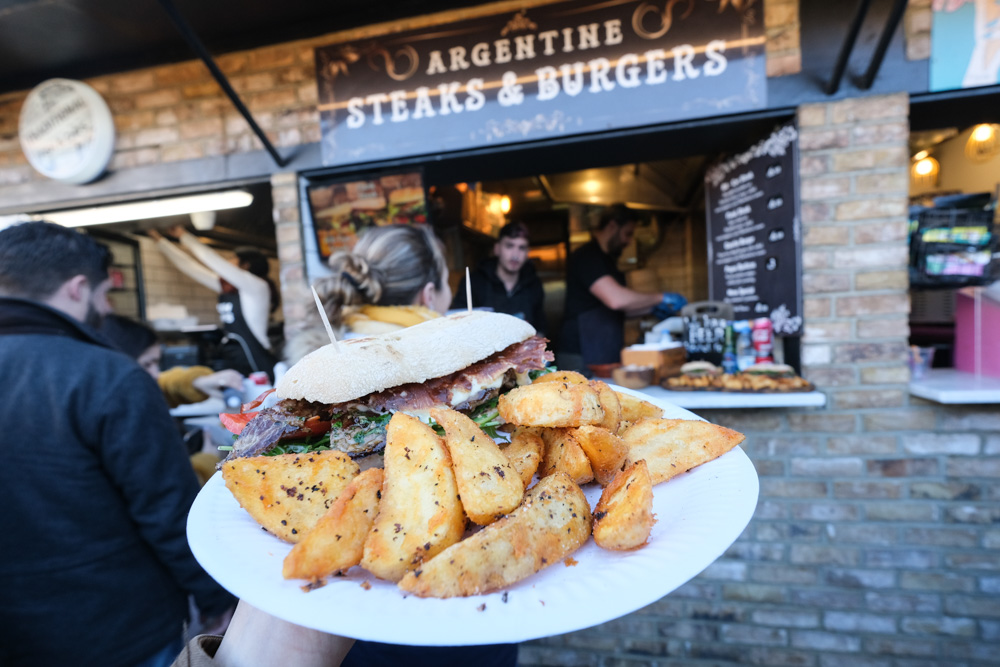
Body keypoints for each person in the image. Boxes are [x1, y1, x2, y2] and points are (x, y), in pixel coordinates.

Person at [0, 221, 234, 667]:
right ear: (77, 289)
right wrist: (215, 599)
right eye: (105, 295)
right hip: (116, 629)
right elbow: (167, 509)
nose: (106, 309)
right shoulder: (107, 376)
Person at [285, 223, 517, 667]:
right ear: (429, 294)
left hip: (345, 609)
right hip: (469, 595)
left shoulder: (307, 353)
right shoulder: (356, 360)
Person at [559, 204, 687, 373]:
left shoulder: (608, 262)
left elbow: (620, 310)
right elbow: (616, 300)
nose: (629, 241)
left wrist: (651, 308)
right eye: (627, 234)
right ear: (612, 226)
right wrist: (660, 298)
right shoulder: (587, 257)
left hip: (602, 350)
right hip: (580, 354)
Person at [149, 226, 279, 380]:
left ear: (245, 265)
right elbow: (190, 267)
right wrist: (160, 241)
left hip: (257, 357)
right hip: (235, 356)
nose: (228, 262)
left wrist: (184, 236)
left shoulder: (257, 286)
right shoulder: (228, 287)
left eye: (232, 258)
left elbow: (212, 260)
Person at [450, 220, 547, 333]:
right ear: (497, 248)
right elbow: (457, 325)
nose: (515, 255)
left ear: (527, 253)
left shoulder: (534, 284)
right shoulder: (474, 282)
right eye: (509, 246)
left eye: (521, 248)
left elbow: (540, 326)